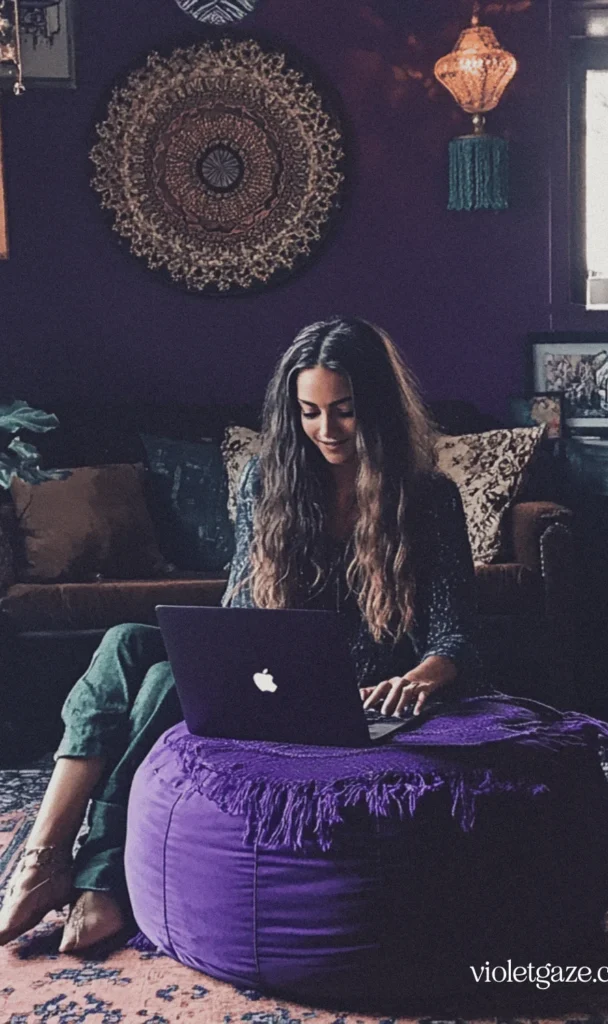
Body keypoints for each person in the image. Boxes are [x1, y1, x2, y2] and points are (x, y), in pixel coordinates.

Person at [0, 316, 486, 953]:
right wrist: (233, 650)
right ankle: (47, 854)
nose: (326, 431)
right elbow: (242, 599)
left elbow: (454, 634)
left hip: (356, 694)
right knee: (124, 642)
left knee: (167, 676)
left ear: (378, 406)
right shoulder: (270, 478)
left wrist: (423, 674)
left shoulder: (428, 497)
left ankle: (98, 877)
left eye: (344, 411)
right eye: (309, 412)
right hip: (271, 674)